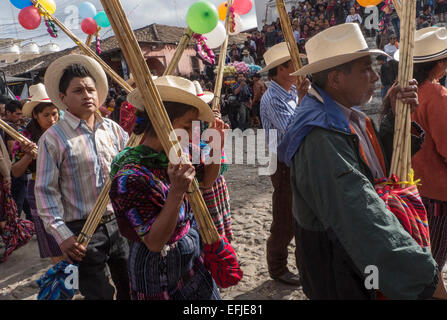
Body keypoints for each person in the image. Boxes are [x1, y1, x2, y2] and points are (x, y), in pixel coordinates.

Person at [278, 23, 441, 299]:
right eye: (366, 69)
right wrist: (424, 278)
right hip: (339, 267)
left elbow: (376, 163)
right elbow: (360, 215)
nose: (376, 78)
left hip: (350, 260)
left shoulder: (347, 115)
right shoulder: (320, 135)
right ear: (335, 79)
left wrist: (398, 117)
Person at [109, 75, 222, 300]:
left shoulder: (179, 154)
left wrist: (217, 144)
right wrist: (177, 192)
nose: (191, 135)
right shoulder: (131, 176)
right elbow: (154, 241)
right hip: (156, 271)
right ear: (162, 122)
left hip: (191, 261)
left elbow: (207, 182)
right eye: (186, 126)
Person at [34, 54, 130, 300]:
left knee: (132, 287)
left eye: (90, 89)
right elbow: (45, 192)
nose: (87, 95)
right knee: (99, 294)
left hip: (121, 223)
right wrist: (62, 235)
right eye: (78, 90)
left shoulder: (113, 130)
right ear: (63, 98)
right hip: (82, 233)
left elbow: (131, 169)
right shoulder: (53, 139)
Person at [260, 42, 310, 286]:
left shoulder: (290, 91)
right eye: (292, 65)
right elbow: (291, 130)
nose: (298, 69)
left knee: (300, 215)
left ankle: (303, 264)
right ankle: (277, 267)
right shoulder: (272, 98)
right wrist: (302, 99)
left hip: (293, 160)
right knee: (284, 219)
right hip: (281, 164)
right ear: (280, 69)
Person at [405, 27, 447, 290]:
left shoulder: (398, 90)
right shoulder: (437, 95)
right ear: (439, 65)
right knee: (433, 256)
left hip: (409, 186)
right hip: (436, 190)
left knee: (420, 250)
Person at [10, 84, 63, 265]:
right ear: (35, 115)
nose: (52, 119)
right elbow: (16, 171)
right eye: (46, 115)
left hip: (64, 187)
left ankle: (77, 276)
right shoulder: (25, 137)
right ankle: (63, 276)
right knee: (52, 237)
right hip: (38, 189)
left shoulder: (63, 132)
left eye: (54, 113)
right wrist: (27, 155)